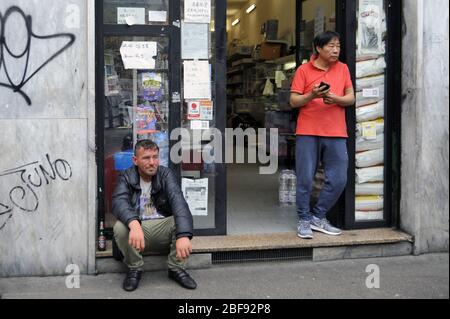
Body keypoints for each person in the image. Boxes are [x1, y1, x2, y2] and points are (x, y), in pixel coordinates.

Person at [290, 31, 355, 239]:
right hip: (308, 131)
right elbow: (294, 101)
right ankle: (303, 219)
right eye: (331, 46)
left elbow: (351, 98)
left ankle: (318, 217)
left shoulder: (343, 69)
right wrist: (312, 95)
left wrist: (334, 98)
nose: (336, 50)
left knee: (338, 179)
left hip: (336, 132)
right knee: (305, 179)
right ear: (318, 48)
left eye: (338, 46)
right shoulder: (303, 70)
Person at [112, 139, 197, 291]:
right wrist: (134, 223)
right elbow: (119, 202)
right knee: (120, 227)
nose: (152, 162)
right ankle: (134, 269)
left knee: (181, 220)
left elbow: (179, 203)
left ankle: (176, 268)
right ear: (135, 160)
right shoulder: (126, 176)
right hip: (138, 232)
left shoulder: (165, 174)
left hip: (160, 229)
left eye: (155, 157)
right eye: (146, 158)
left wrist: (183, 235)